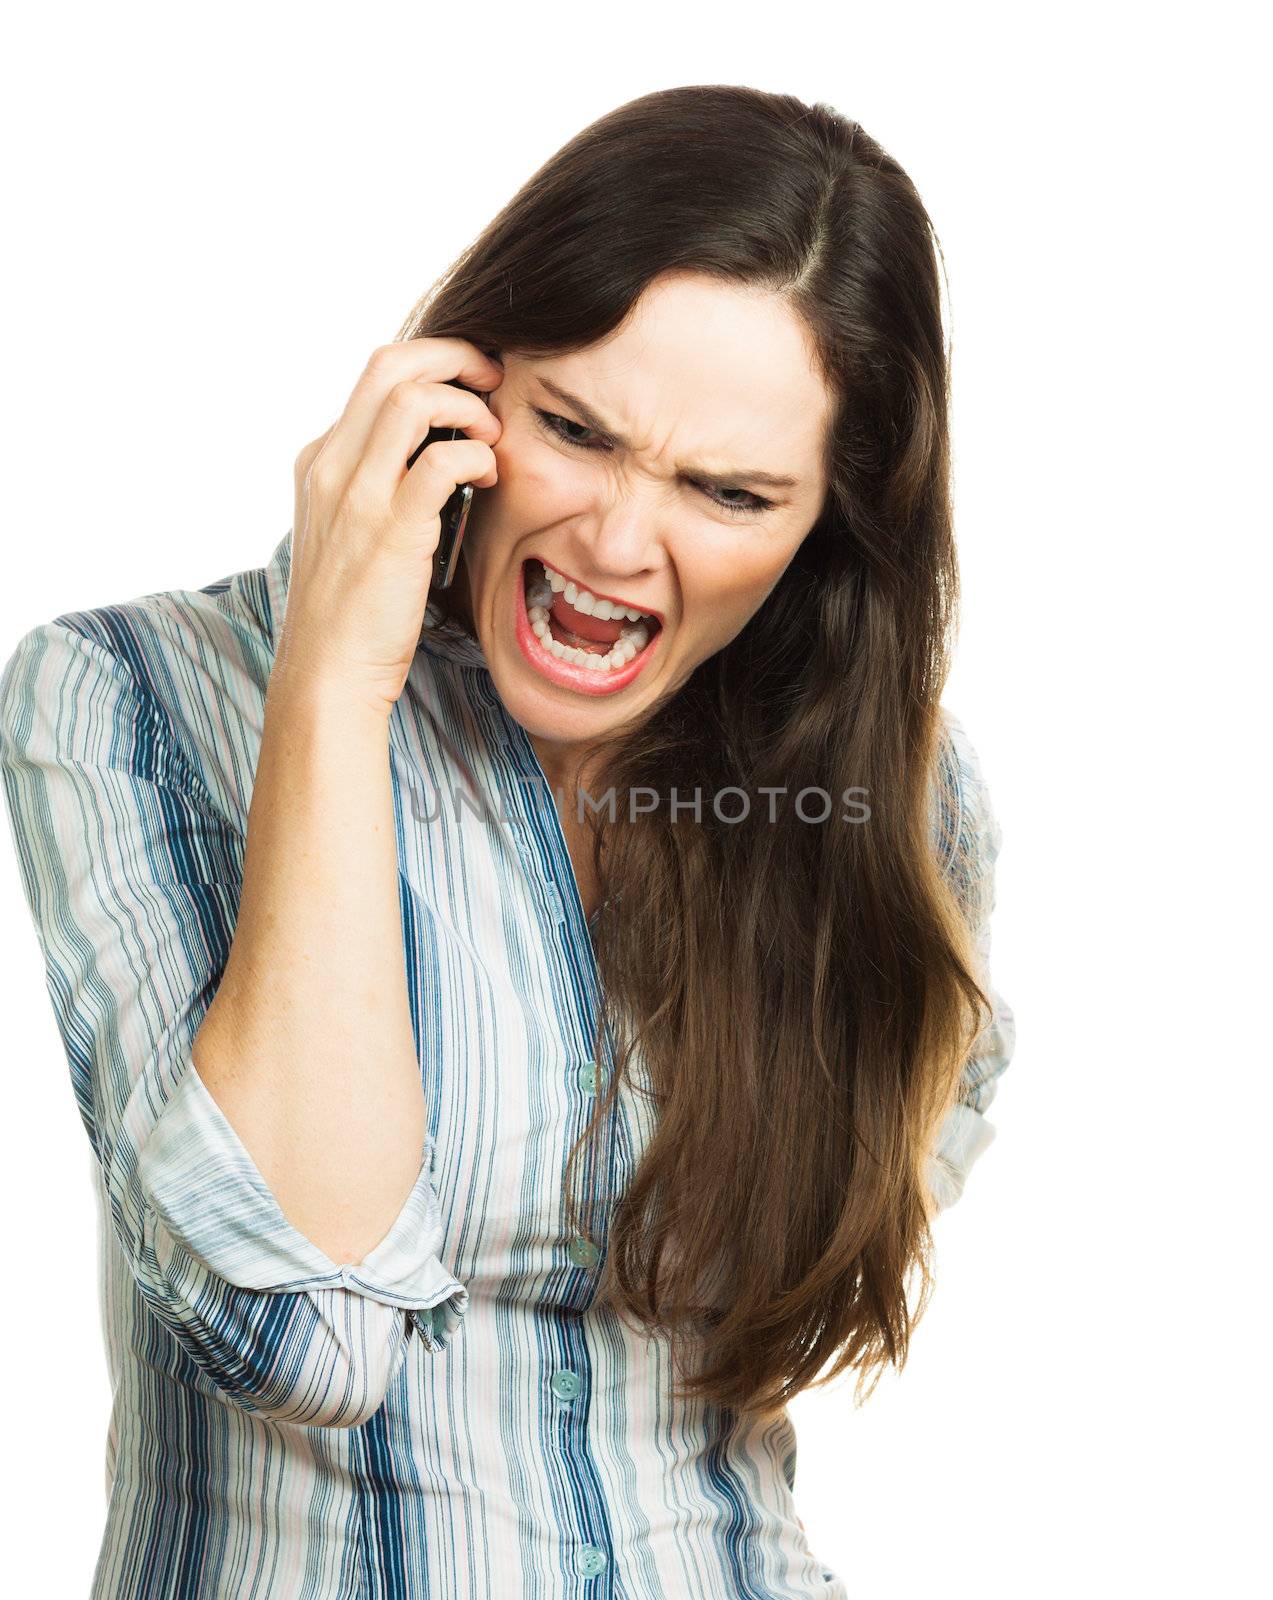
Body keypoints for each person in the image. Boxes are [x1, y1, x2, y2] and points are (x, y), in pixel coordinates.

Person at [0, 85, 1014, 1600]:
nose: (616, 542)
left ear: (827, 532)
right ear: (459, 382)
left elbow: (792, 1313)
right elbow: (300, 1337)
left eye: (730, 493)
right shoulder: (130, 700)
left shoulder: (887, 805)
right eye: (575, 430)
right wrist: (336, 685)